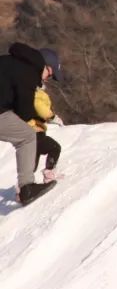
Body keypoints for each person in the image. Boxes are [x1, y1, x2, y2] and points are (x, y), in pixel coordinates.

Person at [0, 42, 57, 205]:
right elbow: (24, 110)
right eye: (50, 75)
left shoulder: (9, 61)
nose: (47, 79)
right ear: (46, 67)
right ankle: (27, 188)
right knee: (27, 137)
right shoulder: (29, 73)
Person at [30, 48, 64, 181]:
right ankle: (49, 173)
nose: (49, 78)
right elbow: (39, 107)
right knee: (55, 148)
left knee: (30, 162)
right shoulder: (34, 89)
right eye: (50, 74)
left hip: (30, 131)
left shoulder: (31, 85)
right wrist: (52, 116)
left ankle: (23, 186)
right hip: (34, 131)